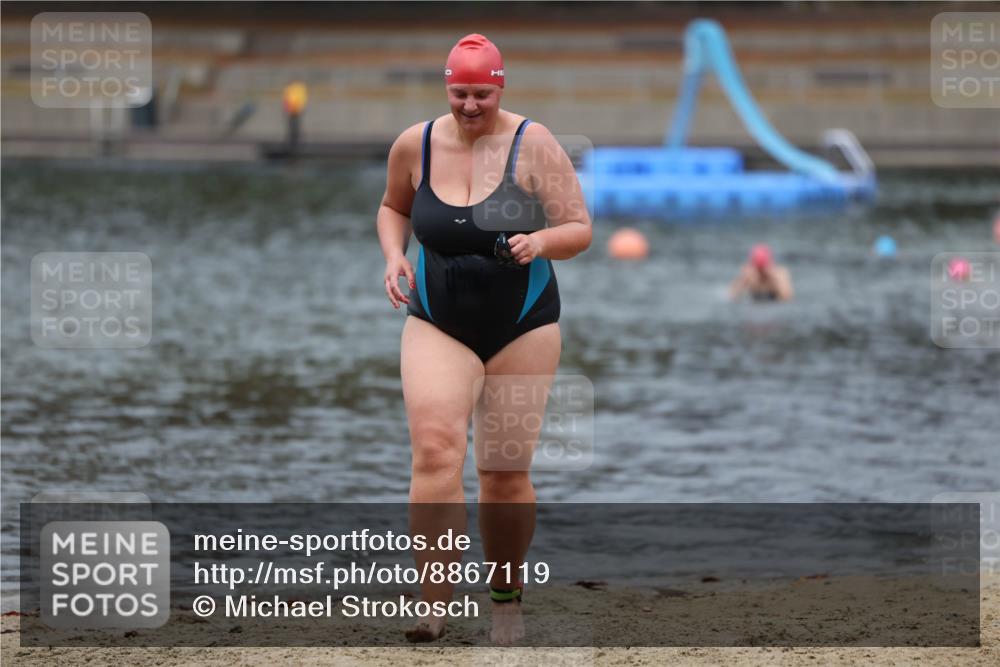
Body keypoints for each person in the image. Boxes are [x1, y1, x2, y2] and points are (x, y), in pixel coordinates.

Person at [375, 33, 592, 644]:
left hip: (522, 321)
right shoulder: (414, 143)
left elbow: (579, 228)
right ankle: (433, 605)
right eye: (459, 93)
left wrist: (540, 242)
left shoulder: (534, 143)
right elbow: (392, 208)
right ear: (446, 87)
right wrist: (394, 255)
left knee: (501, 470)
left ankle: (505, 602)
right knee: (436, 452)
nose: (470, 105)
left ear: (502, 87)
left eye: (483, 94)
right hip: (436, 317)